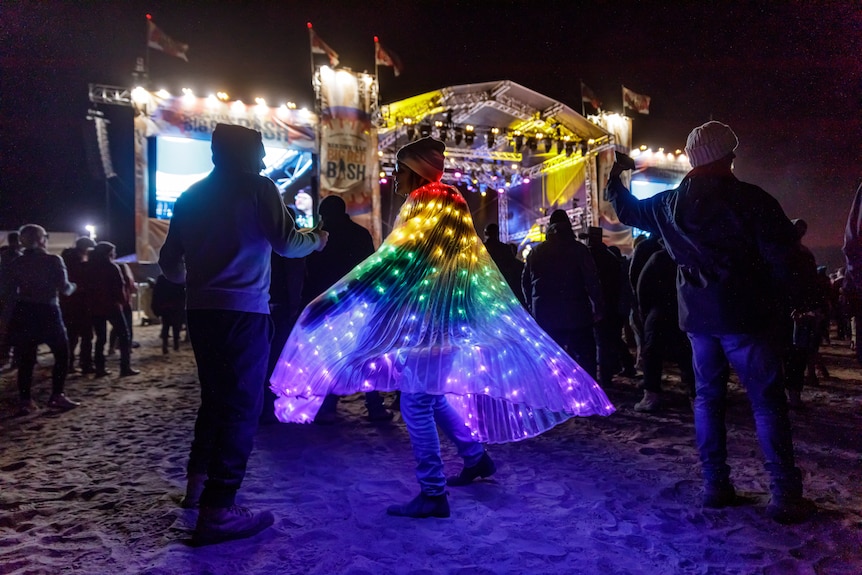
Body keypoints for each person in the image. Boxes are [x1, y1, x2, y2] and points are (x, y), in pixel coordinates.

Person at [270, 137, 615, 519]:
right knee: (430, 396)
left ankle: (433, 493)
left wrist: (338, 298)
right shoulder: (451, 201)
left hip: (429, 322)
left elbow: (395, 262)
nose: (395, 178)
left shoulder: (427, 202)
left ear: (415, 172)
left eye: (399, 170)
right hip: (451, 317)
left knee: (415, 403)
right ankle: (475, 458)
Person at [605, 121, 816, 524]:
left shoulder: (668, 205)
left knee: (708, 399)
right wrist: (794, 301)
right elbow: (784, 259)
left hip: (698, 321)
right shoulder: (752, 200)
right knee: (767, 402)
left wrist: (616, 175)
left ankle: (716, 486)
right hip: (746, 317)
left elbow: (627, 208)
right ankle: (784, 493)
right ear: (725, 156)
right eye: (731, 153)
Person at [159, 123, 327, 545]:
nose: (266, 161)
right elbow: (288, 243)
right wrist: (318, 239)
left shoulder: (190, 196)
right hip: (244, 312)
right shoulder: (260, 187)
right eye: (259, 152)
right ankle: (219, 509)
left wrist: (199, 279)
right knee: (242, 408)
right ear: (245, 154)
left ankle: (196, 488)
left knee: (214, 399)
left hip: (201, 311)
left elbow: (170, 265)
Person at [303, 194, 393, 423]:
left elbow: (311, 273)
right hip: (356, 305)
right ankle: (374, 407)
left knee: (332, 356)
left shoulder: (321, 237)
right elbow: (369, 271)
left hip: (328, 306)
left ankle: (328, 406)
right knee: (362, 356)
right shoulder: (359, 234)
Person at [4, 225, 79, 415]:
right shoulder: (53, 260)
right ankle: (57, 395)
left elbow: (8, 291)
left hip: (24, 310)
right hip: (48, 309)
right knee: (62, 353)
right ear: (42, 239)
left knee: (26, 358)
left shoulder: (16, 263)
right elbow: (64, 288)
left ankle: (25, 400)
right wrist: (74, 286)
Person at [521, 209, 603, 380]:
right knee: (584, 357)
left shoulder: (536, 252)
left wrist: (532, 305)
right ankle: (588, 394)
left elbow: (526, 283)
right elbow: (592, 280)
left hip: (545, 314)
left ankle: (554, 395)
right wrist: (598, 306)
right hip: (576, 313)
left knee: (550, 359)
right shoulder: (579, 250)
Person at [635, 246, 695, 412]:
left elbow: (642, 286)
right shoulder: (687, 254)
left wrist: (645, 312)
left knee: (652, 355)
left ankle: (651, 395)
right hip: (684, 311)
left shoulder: (658, 257)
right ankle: (695, 395)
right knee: (687, 355)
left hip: (659, 312)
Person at [85, 242, 139, 378]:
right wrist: (122, 301)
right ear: (108, 253)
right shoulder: (111, 267)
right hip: (112, 306)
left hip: (95, 307)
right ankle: (125, 367)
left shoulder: (89, 267)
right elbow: (119, 287)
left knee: (100, 338)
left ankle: (100, 368)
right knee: (124, 336)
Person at [60, 237, 96, 374]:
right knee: (86, 335)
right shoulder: (80, 263)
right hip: (81, 303)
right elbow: (84, 282)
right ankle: (85, 363)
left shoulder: (66, 260)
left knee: (71, 336)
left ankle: (69, 363)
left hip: (67, 303)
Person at [483, 223, 526, 306]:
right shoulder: (505, 248)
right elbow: (512, 267)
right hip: (504, 289)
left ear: (485, 233)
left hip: (486, 287)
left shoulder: (482, 249)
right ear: (497, 233)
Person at [0, 231, 23, 367]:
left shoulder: (4, 255)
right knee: (17, 326)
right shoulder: (17, 257)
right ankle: (15, 356)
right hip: (15, 296)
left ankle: (5, 352)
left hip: (4, 294)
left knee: (6, 324)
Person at [150, 273, 186, 354]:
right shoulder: (178, 277)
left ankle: (165, 344)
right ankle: (175, 344)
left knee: (166, 325)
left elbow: (156, 293)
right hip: (176, 306)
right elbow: (182, 292)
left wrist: (156, 307)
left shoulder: (162, 278)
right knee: (176, 325)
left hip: (165, 306)